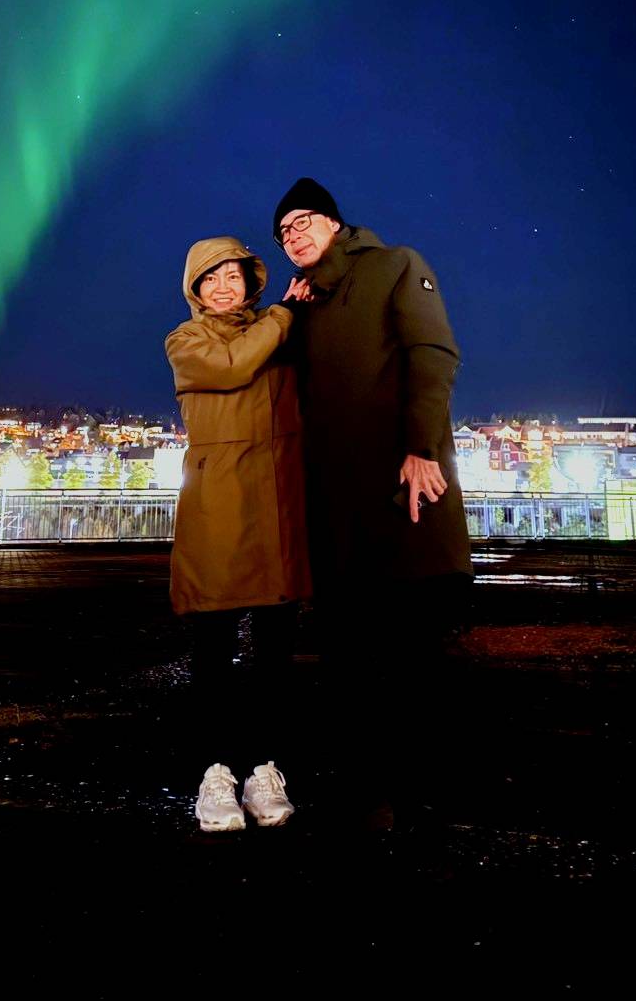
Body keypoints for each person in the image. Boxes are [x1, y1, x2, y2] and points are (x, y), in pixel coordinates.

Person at [273, 177, 473, 828]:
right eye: (283, 231)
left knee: (411, 646)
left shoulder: (395, 266)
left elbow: (433, 352)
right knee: (345, 653)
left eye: (304, 220)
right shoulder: (304, 301)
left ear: (334, 223)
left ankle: (421, 792)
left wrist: (422, 447)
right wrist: (286, 317)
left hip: (399, 491)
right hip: (334, 504)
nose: (293, 235)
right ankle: (360, 789)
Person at [165, 236, 311, 833]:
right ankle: (215, 773)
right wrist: (283, 314)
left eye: (234, 276)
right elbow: (233, 366)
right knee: (214, 651)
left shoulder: (279, 332)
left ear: (250, 282)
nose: (224, 287)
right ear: (195, 289)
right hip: (220, 506)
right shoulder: (186, 340)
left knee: (275, 655)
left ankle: (265, 769)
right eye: (211, 278)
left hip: (278, 506)